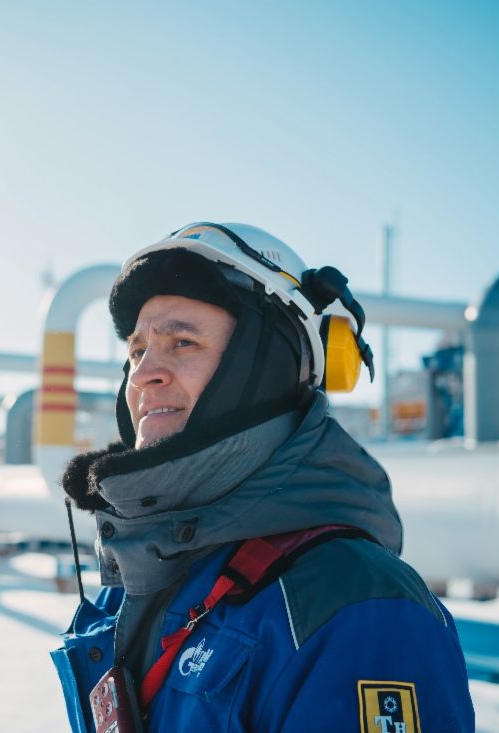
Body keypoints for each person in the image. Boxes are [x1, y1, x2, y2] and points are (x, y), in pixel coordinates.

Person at [51, 222, 475, 732]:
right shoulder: (139, 577)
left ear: (270, 363)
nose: (142, 374)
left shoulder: (357, 607)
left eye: (182, 342)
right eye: (137, 351)